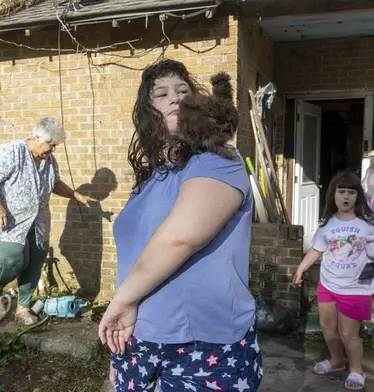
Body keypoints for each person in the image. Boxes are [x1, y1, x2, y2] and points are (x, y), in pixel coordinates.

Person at [97, 59, 262, 392]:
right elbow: (136, 258)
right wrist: (123, 355)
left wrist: (120, 303)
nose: (175, 98)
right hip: (139, 334)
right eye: (161, 93)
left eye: (183, 91)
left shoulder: (219, 162)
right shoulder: (149, 179)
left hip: (203, 344)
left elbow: (180, 238)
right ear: (148, 111)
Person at [0, 117, 94, 325]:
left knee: (34, 262)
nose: (54, 149)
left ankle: (23, 308)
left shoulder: (49, 160)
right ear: (38, 138)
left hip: (38, 220)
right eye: (52, 144)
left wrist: (74, 195)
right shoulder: (11, 152)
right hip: (8, 220)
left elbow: (55, 183)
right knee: (12, 261)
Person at [292, 171, 374, 391]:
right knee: (327, 328)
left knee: (349, 333)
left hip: (357, 287)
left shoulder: (370, 221)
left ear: (357, 196)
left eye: (351, 192)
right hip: (328, 284)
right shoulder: (327, 223)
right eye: (342, 192)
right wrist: (301, 268)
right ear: (334, 195)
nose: (346, 196)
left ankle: (357, 370)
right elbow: (316, 249)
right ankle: (337, 361)